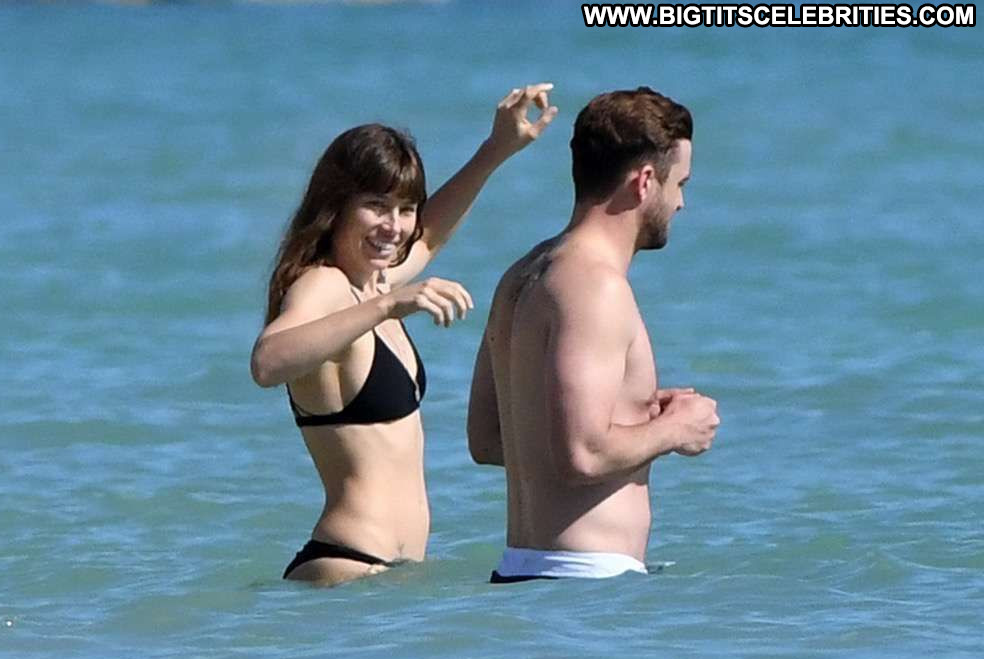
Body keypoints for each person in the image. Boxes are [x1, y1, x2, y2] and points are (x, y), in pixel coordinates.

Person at [251, 84, 557, 587]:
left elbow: (429, 238)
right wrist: (389, 306)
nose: (394, 227)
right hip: (347, 563)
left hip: (384, 576)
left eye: (406, 208)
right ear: (337, 205)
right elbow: (268, 362)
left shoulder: (371, 282)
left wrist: (496, 149)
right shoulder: (325, 284)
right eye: (377, 206)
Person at [467, 86, 720, 582]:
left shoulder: (522, 275)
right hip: (583, 583)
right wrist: (676, 429)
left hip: (526, 573)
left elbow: (490, 439)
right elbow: (582, 455)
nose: (681, 203)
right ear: (644, 182)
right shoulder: (595, 288)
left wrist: (634, 416)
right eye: (679, 184)